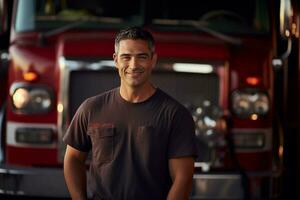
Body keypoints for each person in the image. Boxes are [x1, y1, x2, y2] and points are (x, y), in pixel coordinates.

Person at [63, 27, 197, 200]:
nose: (133, 65)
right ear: (116, 60)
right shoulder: (91, 108)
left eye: (142, 57)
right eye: (126, 57)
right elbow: (73, 158)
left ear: (153, 60)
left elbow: (183, 179)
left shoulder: (175, 115)